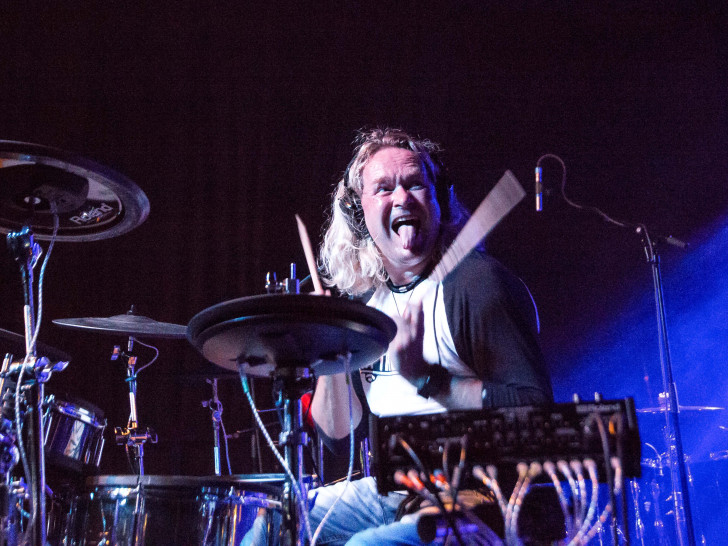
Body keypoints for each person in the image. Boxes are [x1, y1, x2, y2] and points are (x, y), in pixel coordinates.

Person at [308, 128, 553, 545]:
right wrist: (329, 349)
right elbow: (337, 439)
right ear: (358, 214)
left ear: (438, 199)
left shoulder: (477, 286)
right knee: (275, 524)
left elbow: (536, 411)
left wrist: (430, 380)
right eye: (383, 188)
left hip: (482, 500)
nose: (401, 198)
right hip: (396, 495)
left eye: (414, 183)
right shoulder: (368, 305)